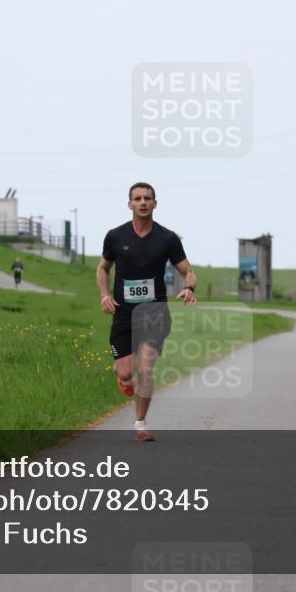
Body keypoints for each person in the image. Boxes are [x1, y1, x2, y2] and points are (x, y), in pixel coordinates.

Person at [97, 182, 197, 442]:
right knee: (126, 372)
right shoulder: (116, 236)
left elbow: (187, 270)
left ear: (155, 203)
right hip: (123, 314)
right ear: (129, 204)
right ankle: (125, 380)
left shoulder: (167, 238)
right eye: (138, 198)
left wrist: (189, 287)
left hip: (155, 313)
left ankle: (140, 423)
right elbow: (103, 268)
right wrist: (105, 295)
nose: (143, 202)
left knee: (146, 368)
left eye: (148, 198)